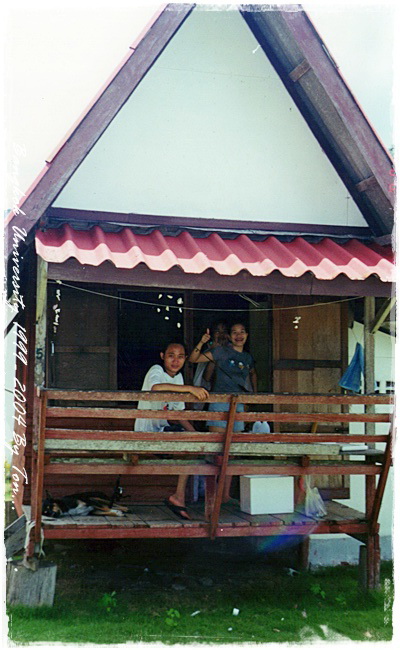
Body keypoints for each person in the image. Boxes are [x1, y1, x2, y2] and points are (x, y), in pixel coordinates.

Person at [134, 342, 209, 519]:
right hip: (146, 433)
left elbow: (177, 413)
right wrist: (190, 388)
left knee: (194, 445)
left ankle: (178, 496)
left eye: (180, 356)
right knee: (189, 446)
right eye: (171, 355)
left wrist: (196, 435)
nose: (176, 361)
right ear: (162, 356)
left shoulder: (178, 378)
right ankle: (178, 497)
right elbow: (156, 388)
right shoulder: (156, 370)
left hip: (162, 431)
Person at [190, 321, 257, 502]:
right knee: (216, 450)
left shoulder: (248, 358)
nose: (239, 335)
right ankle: (212, 494)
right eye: (234, 332)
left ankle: (225, 494)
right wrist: (202, 342)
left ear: (247, 335)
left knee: (233, 451)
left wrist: (252, 397)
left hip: (239, 403)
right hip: (219, 402)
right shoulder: (220, 351)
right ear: (229, 336)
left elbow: (251, 376)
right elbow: (193, 359)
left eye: (242, 332)